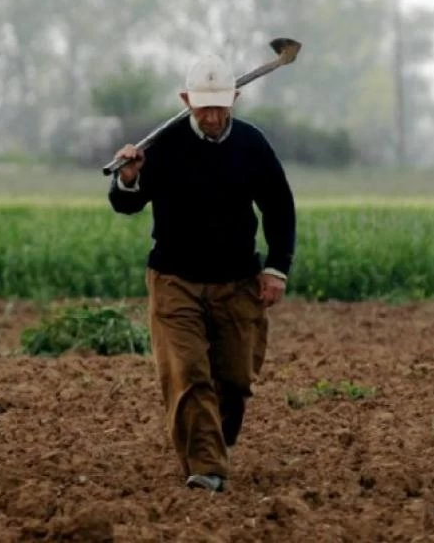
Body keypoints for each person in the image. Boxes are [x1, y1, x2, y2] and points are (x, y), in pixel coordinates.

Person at [107, 52, 297, 493]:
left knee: (233, 381)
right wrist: (129, 178)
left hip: (237, 282)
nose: (212, 117)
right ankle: (207, 467)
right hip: (175, 280)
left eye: (220, 106)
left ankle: (213, 442)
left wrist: (276, 268)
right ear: (185, 99)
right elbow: (127, 204)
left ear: (235, 97)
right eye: (203, 106)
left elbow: (279, 207)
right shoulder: (163, 147)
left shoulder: (252, 145)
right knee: (188, 374)